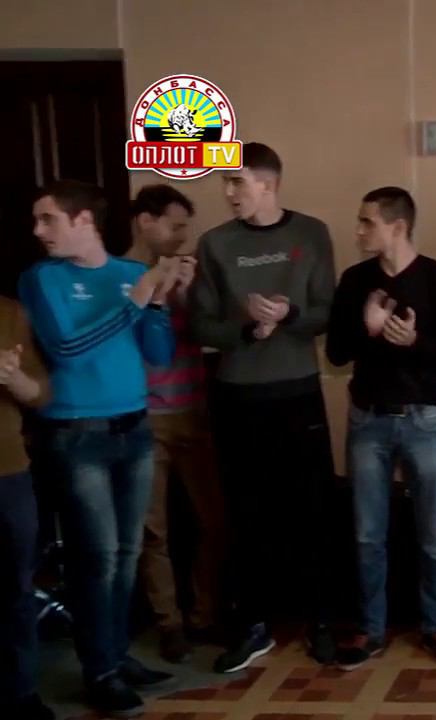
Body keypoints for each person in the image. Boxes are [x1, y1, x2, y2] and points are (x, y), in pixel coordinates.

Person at [20, 179, 180, 717]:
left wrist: (157, 302)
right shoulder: (42, 278)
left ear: (84, 220)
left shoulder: (129, 272)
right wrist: (135, 301)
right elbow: (68, 348)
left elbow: (159, 353)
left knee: (127, 554)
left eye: (48, 219)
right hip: (76, 434)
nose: (38, 230)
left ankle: (115, 655)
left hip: (133, 428)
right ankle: (100, 671)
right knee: (98, 558)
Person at [187, 142, 339, 673]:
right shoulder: (215, 244)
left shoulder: (311, 233)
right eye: (225, 183)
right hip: (238, 395)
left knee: (312, 510)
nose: (228, 192)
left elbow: (326, 312)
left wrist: (288, 314)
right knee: (246, 512)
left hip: (297, 390)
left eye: (237, 181)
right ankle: (252, 624)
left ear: (268, 184)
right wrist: (248, 327)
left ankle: (321, 620)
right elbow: (201, 324)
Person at [325, 187, 436, 669]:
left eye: (368, 222)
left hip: (424, 419)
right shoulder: (354, 281)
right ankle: (371, 629)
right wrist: (366, 330)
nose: (359, 230)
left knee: (434, 534)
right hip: (368, 420)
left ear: (398, 226)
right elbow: (336, 354)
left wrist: (414, 341)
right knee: (368, 534)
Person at [129, 185, 227, 665]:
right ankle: (169, 624)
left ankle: (204, 615)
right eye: (174, 225)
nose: (182, 236)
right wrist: (154, 293)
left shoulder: (191, 271)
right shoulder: (121, 275)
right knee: (154, 531)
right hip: (144, 417)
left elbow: (210, 333)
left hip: (194, 411)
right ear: (145, 222)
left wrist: (187, 294)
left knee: (214, 520)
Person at [0, 297, 51, 720]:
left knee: (16, 588)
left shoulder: (11, 313)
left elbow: (41, 394)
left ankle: (21, 693)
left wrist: (15, 378)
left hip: (9, 472)